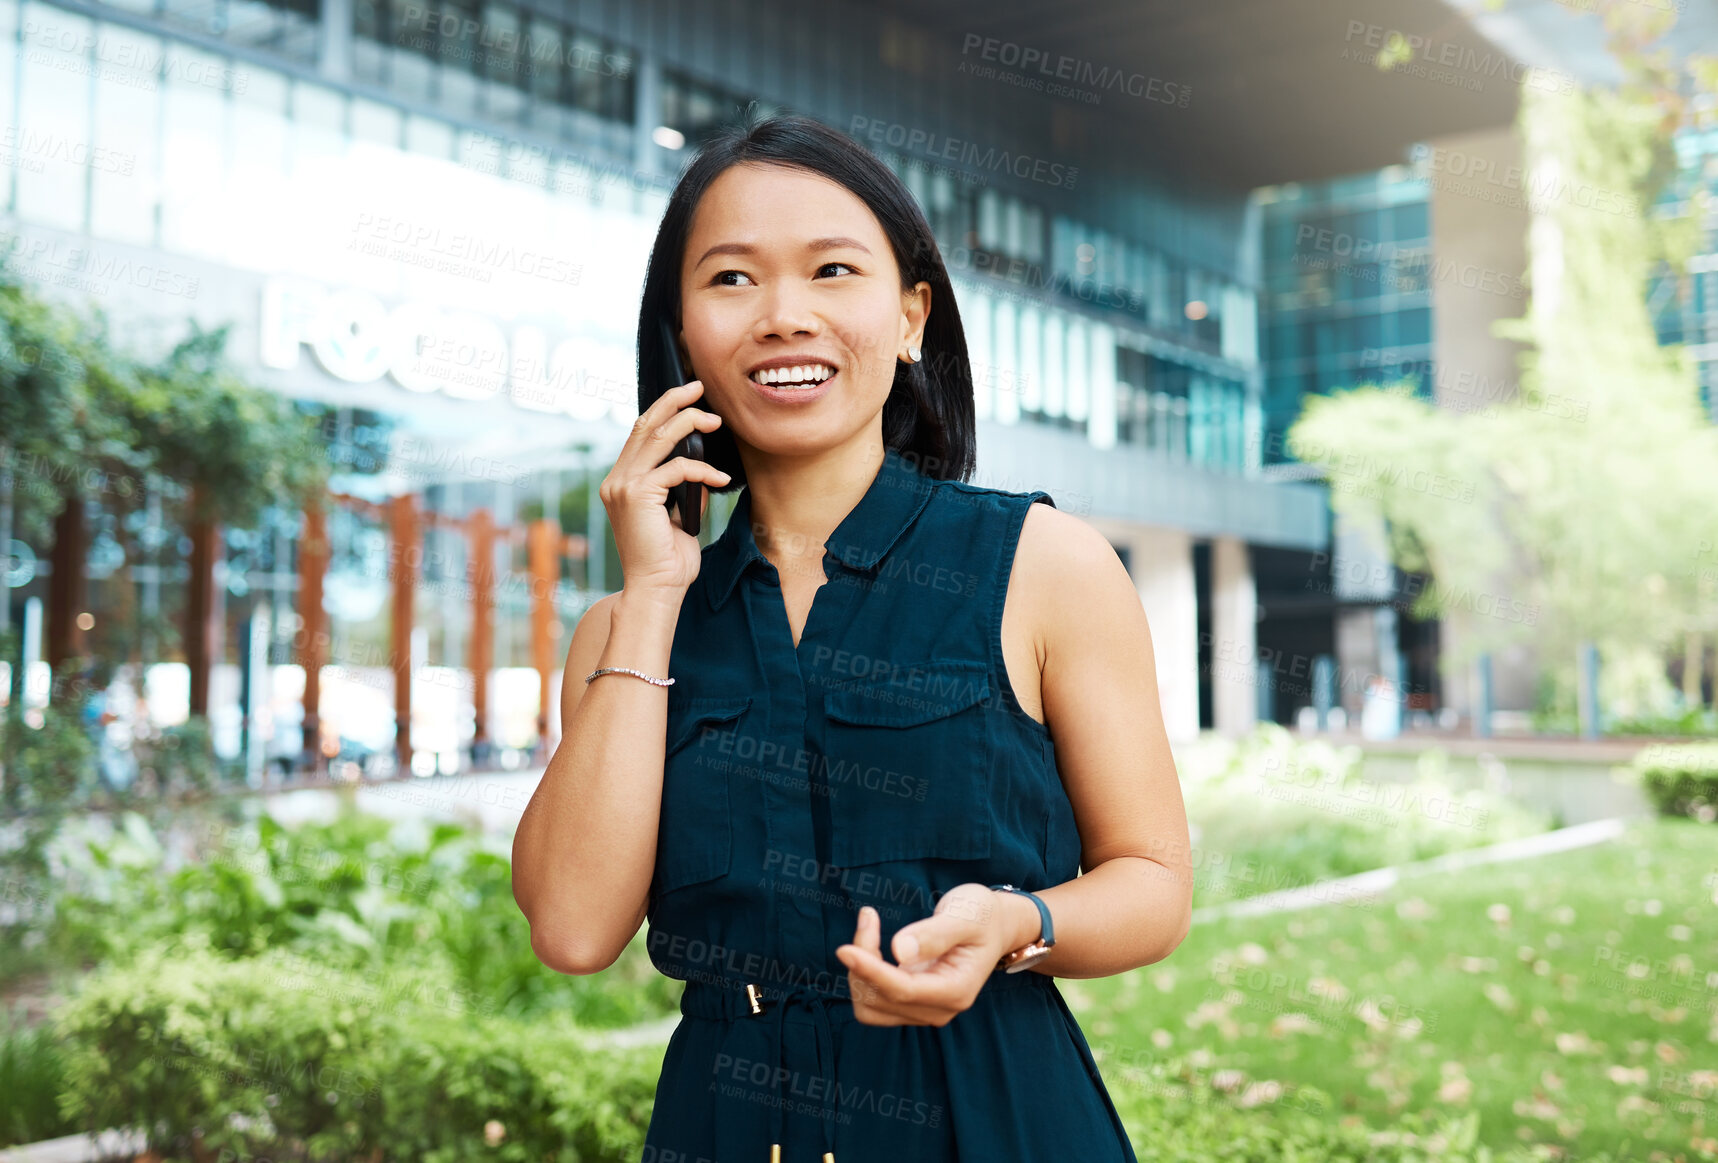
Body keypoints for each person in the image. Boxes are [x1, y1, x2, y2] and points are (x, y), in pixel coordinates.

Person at [511, 110, 1193, 1161]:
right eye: (730, 279)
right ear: (681, 332)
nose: (783, 315)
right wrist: (651, 588)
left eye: (833, 270)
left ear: (912, 313)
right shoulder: (624, 628)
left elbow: (1149, 881)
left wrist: (1018, 923)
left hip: (992, 1110)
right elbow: (570, 927)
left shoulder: (1043, 564)